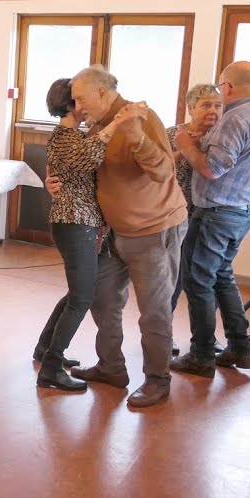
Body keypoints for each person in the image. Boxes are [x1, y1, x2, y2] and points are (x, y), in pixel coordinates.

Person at [62, 67, 187, 408]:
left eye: (81, 99)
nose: (77, 107)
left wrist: (137, 137)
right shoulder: (98, 126)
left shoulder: (142, 118)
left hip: (154, 230)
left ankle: (158, 379)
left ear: (103, 93)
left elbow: (164, 172)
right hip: (116, 232)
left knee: (154, 311)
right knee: (101, 298)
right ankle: (111, 367)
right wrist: (55, 183)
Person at [170, 61, 250, 377]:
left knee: (198, 282)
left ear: (228, 86)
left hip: (216, 214)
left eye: (219, 92)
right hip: (243, 212)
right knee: (222, 276)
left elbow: (211, 168)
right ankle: (240, 348)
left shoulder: (236, 119)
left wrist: (186, 146)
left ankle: (202, 355)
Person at [33, 78, 139, 392]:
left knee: (76, 293)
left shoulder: (74, 134)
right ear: (70, 104)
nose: (85, 104)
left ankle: (45, 348)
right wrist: (115, 124)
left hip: (78, 222)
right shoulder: (65, 135)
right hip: (74, 223)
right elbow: (86, 159)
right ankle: (51, 368)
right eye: (79, 99)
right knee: (82, 297)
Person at [165, 83, 223, 354]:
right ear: (191, 108)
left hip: (209, 216)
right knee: (172, 279)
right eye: (206, 105)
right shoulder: (172, 134)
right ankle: (162, 333)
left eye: (218, 105)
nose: (213, 111)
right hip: (175, 216)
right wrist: (186, 149)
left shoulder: (222, 136)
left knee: (208, 279)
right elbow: (157, 166)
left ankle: (205, 336)